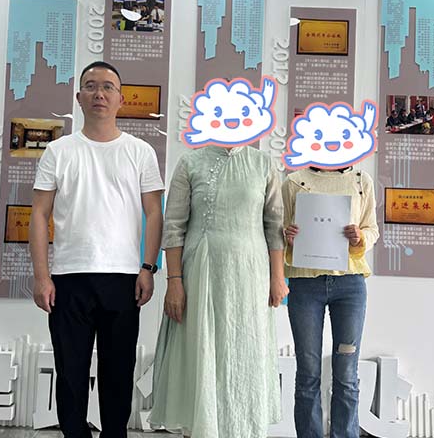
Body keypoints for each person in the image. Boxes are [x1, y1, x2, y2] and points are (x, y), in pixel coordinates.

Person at [29, 61, 164, 438]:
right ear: (78, 97)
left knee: (118, 371)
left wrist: (148, 267)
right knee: (70, 371)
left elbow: (154, 213)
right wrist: (41, 277)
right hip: (69, 276)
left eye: (107, 87)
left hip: (123, 277)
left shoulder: (140, 151)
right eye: (90, 86)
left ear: (121, 99)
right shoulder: (59, 150)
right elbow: (39, 214)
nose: (99, 94)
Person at [149, 145, 289, 437]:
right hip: (201, 274)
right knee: (201, 353)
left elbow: (275, 225)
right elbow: (174, 226)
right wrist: (174, 280)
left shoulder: (263, 163)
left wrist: (278, 277)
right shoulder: (190, 162)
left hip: (250, 277)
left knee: (244, 354)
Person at [282, 165, 379, 438]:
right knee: (308, 372)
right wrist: (287, 235)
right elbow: (278, 229)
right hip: (305, 283)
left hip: (350, 285)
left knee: (346, 374)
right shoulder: (294, 181)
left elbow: (372, 228)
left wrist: (360, 237)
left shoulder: (361, 180)